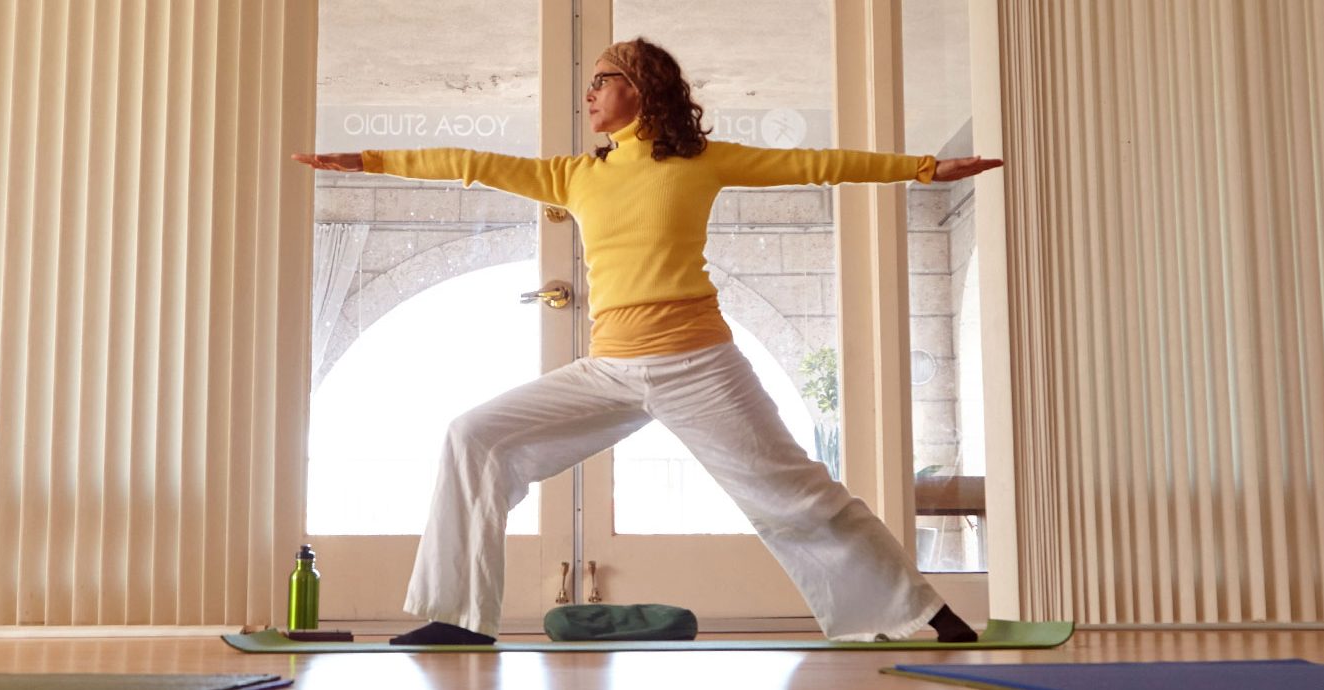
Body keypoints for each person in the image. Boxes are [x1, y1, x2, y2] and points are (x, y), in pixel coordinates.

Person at [294, 37, 1002, 646]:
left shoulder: (702, 162)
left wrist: (923, 169)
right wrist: (370, 159)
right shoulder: (575, 175)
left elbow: (815, 164)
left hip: (699, 365)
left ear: (641, 88)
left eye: (601, 80)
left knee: (796, 496)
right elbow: (470, 162)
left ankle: (925, 615)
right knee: (472, 435)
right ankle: (457, 618)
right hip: (610, 369)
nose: (588, 94)